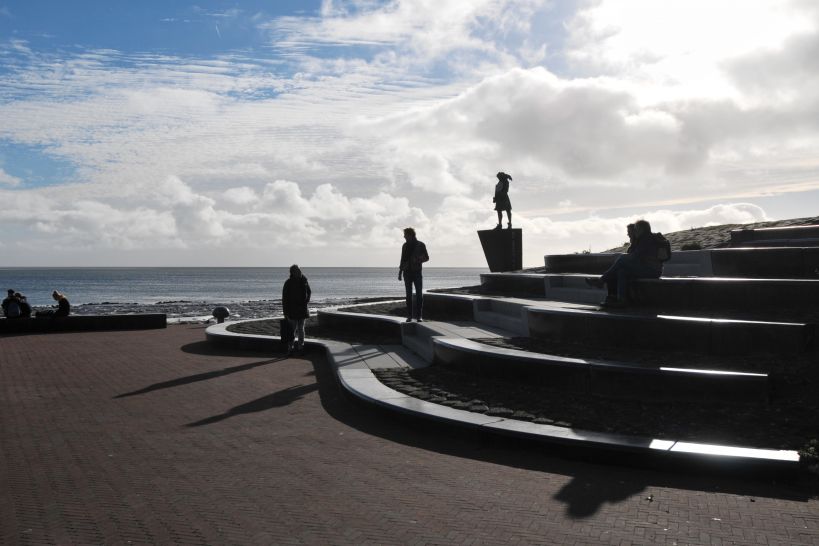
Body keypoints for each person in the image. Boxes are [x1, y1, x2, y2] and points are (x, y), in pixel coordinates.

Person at [586, 220, 663, 307]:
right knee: (622, 271)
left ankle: (602, 281)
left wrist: (624, 258)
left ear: (642, 229)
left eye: (636, 229)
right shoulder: (646, 239)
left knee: (622, 260)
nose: (635, 231)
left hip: (652, 270)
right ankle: (621, 300)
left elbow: (635, 256)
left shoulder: (647, 240)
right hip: (650, 269)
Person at [398, 227, 429, 322]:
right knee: (408, 295)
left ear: (410, 235)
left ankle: (419, 316)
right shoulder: (404, 246)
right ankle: (409, 316)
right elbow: (402, 259)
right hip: (407, 273)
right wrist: (400, 272)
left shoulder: (421, 245)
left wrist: (418, 259)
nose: (404, 236)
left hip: (417, 272)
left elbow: (427, 257)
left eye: (405, 235)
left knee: (419, 294)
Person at [282, 264, 311, 354]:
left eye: (299, 270)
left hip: (302, 309)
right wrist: (285, 312)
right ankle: (290, 348)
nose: (299, 271)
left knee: (301, 329)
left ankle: (300, 347)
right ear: (293, 272)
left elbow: (309, 291)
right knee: (292, 330)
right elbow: (285, 298)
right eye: (297, 270)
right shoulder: (288, 283)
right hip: (292, 310)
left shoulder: (304, 280)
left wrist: (306, 301)